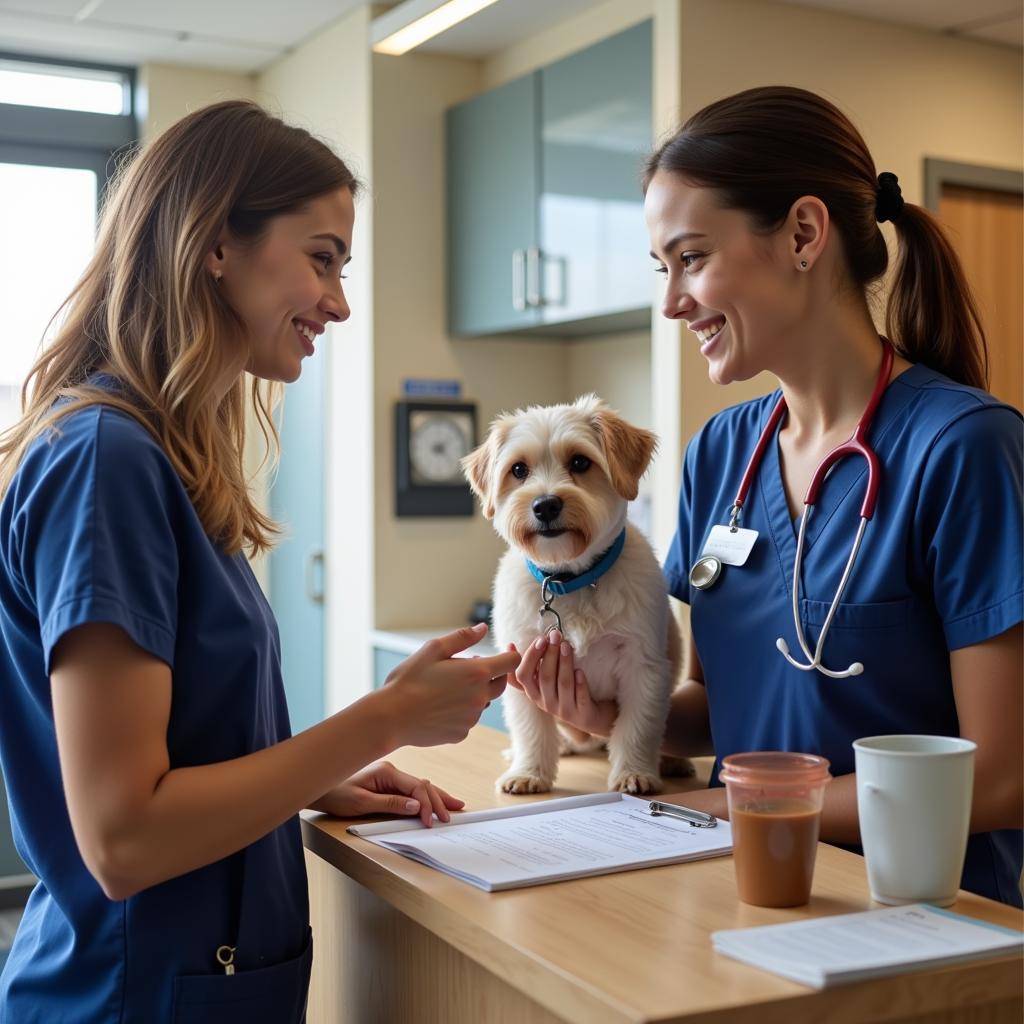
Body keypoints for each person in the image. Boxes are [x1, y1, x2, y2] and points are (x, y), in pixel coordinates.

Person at [0, 100, 518, 1022]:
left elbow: (170, 744)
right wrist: (382, 719)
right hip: (128, 997)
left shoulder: (159, 456)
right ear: (214, 244)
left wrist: (319, 778)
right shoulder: (104, 460)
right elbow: (123, 836)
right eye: (321, 258)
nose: (340, 301)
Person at [508, 86, 1023, 907]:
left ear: (803, 235)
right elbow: (723, 710)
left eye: (691, 258)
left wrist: (727, 808)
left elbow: (1002, 778)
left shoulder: (963, 448)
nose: (672, 300)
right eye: (663, 268)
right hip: (746, 889)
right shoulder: (722, 452)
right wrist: (610, 718)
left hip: (922, 916)